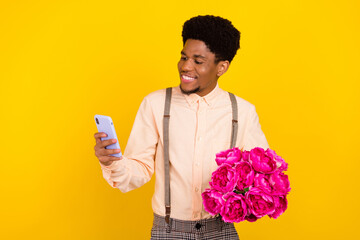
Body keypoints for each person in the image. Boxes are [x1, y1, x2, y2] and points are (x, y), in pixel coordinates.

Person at [94, 15, 269, 239]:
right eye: (184, 57)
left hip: (221, 230)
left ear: (221, 67)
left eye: (198, 61)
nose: (185, 66)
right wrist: (111, 162)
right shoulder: (156, 103)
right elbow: (138, 170)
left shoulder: (242, 111)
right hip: (168, 230)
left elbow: (261, 177)